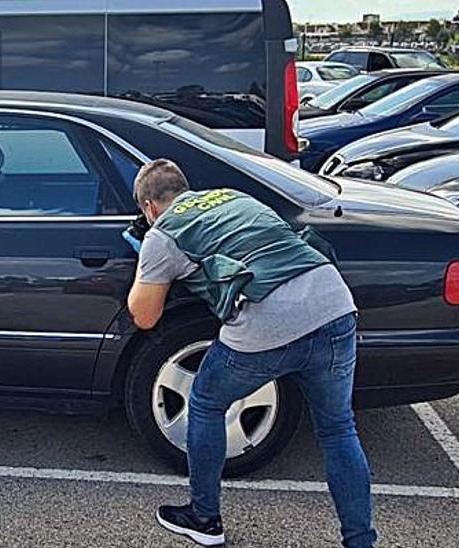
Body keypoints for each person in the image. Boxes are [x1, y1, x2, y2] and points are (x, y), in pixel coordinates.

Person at [123, 160, 376, 547]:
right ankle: (361, 542)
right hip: (334, 306)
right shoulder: (234, 197)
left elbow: (144, 315)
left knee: (206, 400)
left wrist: (148, 256)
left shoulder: (165, 233)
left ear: (149, 208)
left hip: (267, 322)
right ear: (185, 189)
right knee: (339, 428)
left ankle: (205, 519)